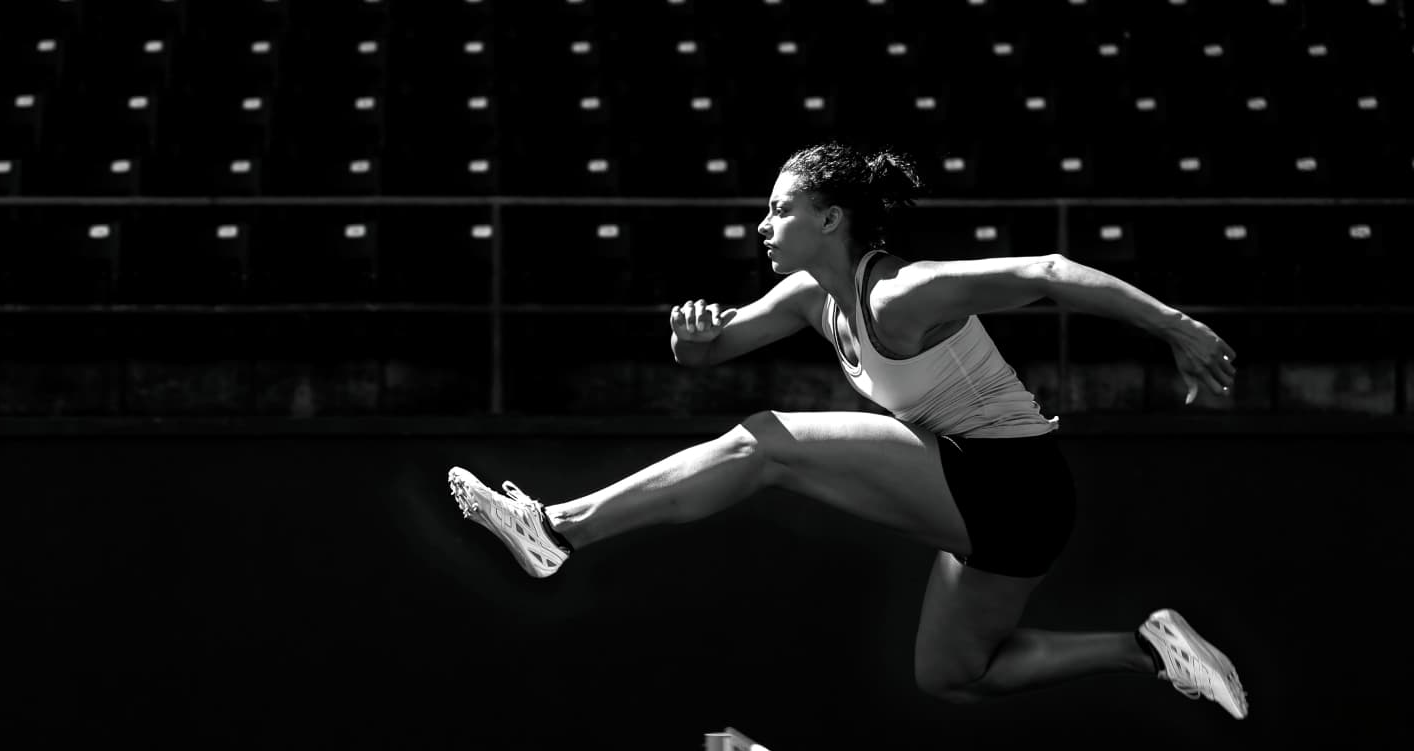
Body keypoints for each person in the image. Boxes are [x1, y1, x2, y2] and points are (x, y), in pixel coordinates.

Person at [447, 142, 1246, 719]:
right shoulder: (808, 297)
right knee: (953, 674)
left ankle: (556, 529)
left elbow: (1049, 273)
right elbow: (712, 349)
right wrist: (687, 341)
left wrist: (1178, 328)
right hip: (1002, 512)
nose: (763, 223)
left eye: (780, 208)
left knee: (764, 444)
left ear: (831, 218)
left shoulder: (901, 294)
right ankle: (1147, 648)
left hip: (1011, 479)